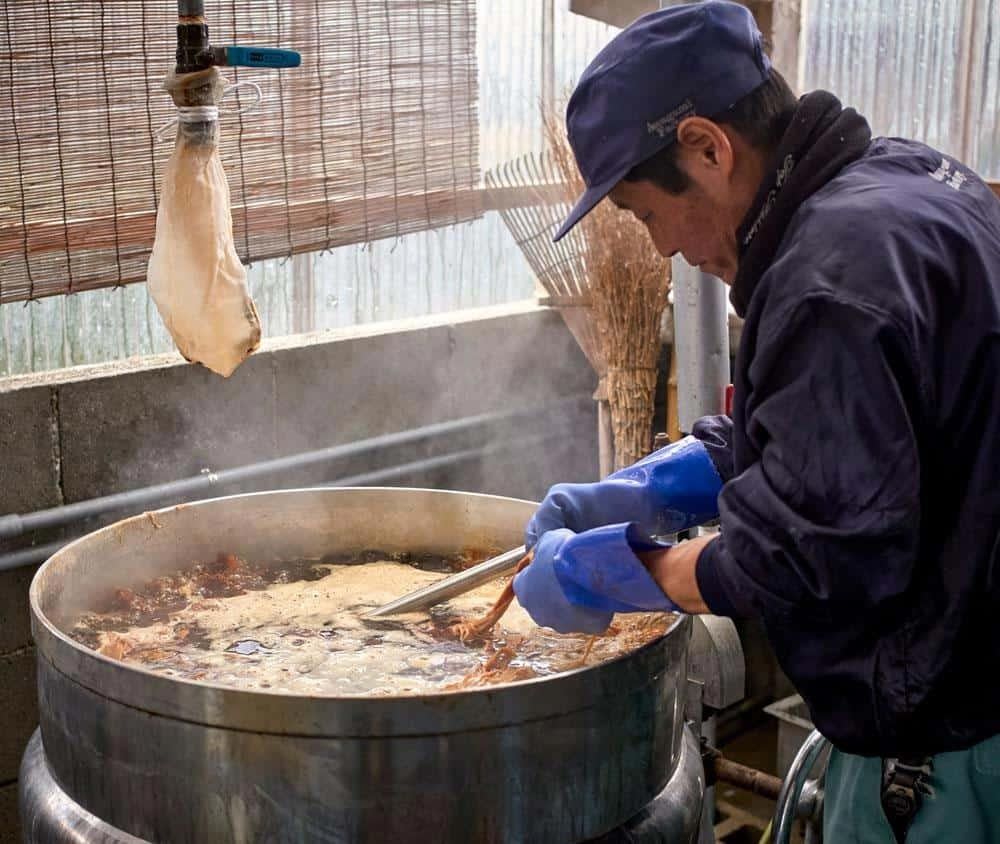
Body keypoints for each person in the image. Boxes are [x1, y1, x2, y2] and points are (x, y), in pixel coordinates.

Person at [510, 2, 1000, 841]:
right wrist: (673, 477)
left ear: (707, 147)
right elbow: (866, 437)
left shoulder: (830, 278)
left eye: (642, 212)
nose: (660, 246)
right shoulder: (901, 183)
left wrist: (627, 568)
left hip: (950, 754)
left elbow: (814, 559)